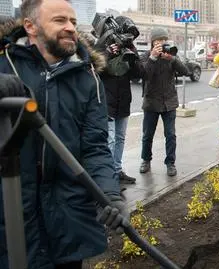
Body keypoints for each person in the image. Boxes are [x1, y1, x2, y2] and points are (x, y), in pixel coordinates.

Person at [0, 1, 128, 268]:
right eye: (60, 21)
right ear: (30, 26)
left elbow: (95, 147)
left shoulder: (88, 77)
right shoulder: (4, 65)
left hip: (67, 220)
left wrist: (109, 193)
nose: (71, 28)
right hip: (12, 217)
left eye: (72, 21)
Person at [95, 16, 144, 188]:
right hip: (106, 101)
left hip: (123, 100)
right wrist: (108, 53)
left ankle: (117, 170)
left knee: (120, 138)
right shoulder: (100, 46)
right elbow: (93, 70)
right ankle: (108, 176)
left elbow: (139, 74)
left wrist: (132, 53)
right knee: (110, 140)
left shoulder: (128, 48)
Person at [139, 27, 189, 176]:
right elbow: (144, 74)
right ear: (152, 42)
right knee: (148, 135)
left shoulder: (171, 55)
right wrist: (153, 58)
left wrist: (172, 59)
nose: (161, 43)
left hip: (169, 102)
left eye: (163, 40)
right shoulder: (146, 56)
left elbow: (185, 71)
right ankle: (146, 160)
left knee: (171, 135)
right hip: (151, 102)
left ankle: (170, 163)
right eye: (158, 40)